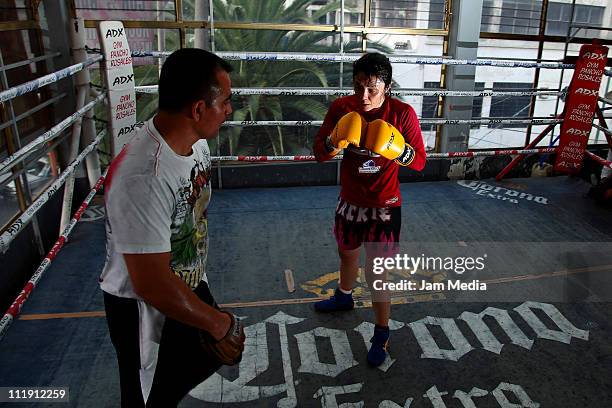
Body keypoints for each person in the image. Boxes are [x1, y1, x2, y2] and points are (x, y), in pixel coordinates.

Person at [100, 48, 243, 407]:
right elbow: (150, 282)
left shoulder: (195, 146)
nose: (229, 110)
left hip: (186, 282)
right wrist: (215, 322)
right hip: (144, 307)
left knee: (210, 356)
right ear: (197, 109)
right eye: (224, 102)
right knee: (147, 399)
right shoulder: (145, 176)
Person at [313, 52, 426, 367]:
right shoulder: (341, 108)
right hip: (350, 199)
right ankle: (344, 296)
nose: (364, 96)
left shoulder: (402, 114)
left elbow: (420, 161)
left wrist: (398, 149)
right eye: (359, 86)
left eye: (372, 89)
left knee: (377, 272)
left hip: (384, 205)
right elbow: (319, 152)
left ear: (386, 87)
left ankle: (382, 331)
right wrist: (336, 141)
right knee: (347, 254)